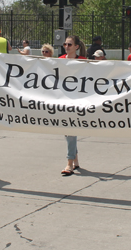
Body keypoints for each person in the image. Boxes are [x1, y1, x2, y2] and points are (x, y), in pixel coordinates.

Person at [59, 35, 86, 176]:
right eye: (65, 44)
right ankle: (75, 160)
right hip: (62, 100)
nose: (66, 47)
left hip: (76, 101)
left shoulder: (83, 61)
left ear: (76, 47)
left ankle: (69, 163)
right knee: (67, 130)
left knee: (70, 128)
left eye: (69, 44)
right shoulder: (59, 60)